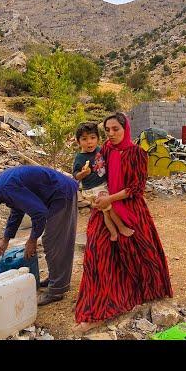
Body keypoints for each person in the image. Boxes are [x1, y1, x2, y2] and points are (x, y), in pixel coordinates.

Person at [74, 113, 172, 334]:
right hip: (104, 206)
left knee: (141, 252)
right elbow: (95, 176)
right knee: (97, 252)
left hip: (130, 208)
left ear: (125, 128)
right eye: (107, 130)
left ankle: (142, 292)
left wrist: (110, 199)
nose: (111, 134)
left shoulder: (137, 153)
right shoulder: (105, 150)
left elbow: (136, 188)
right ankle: (98, 306)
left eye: (115, 129)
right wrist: (94, 193)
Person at [0, 165, 78, 306]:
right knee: (52, 240)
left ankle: (57, 290)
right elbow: (17, 210)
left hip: (62, 193)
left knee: (54, 241)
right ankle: (55, 278)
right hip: (55, 193)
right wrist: (6, 239)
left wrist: (32, 240)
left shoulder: (5, 188)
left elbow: (39, 213)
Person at [73, 121, 134, 242]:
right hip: (92, 189)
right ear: (78, 141)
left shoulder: (100, 150)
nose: (89, 142)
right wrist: (83, 174)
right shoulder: (79, 158)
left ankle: (113, 234)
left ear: (98, 139)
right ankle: (120, 229)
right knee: (109, 207)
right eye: (84, 139)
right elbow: (75, 175)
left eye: (92, 138)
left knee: (106, 212)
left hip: (103, 185)